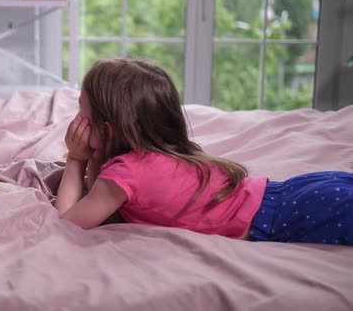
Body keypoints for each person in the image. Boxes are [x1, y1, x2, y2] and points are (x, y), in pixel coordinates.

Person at [55, 58, 353, 245]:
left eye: (83, 114)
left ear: (108, 129)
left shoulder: (124, 175)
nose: (77, 123)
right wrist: (93, 158)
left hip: (287, 214)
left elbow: (68, 222)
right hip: (290, 192)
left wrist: (75, 159)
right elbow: (97, 198)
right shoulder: (161, 151)